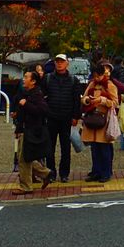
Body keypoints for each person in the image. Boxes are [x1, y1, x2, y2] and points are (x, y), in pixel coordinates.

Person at [12, 68, 52, 195]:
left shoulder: (36, 94)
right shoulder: (27, 93)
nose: (24, 79)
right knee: (25, 156)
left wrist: (26, 105)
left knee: (24, 158)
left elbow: (42, 110)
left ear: (33, 81)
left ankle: (26, 186)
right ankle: (46, 173)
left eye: (26, 77)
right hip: (25, 128)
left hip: (31, 129)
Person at [43, 53, 81, 183]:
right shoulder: (48, 79)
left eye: (62, 61)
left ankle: (64, 173)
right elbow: (42, 97)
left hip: (66, 118)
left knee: (66, 148)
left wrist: (76, 116)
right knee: (49, 148)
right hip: (51, 118)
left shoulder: (73, 80)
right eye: (57, 61)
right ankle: (51, 173)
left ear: (67, 63)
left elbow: (77, 100)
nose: (59, 63)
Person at [80, 63, 119, 182]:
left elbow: (115, 102)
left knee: (104, 148)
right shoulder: (92, 84)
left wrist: (102, 100)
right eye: (95, 76)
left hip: (104, 120)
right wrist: (87, 100)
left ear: (103, 74)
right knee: (94, 148)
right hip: (92, 119)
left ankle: (106, 172)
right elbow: (84, 98)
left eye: (98, 76)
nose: (96, 78)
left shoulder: (110, 85)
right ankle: (96, 171)